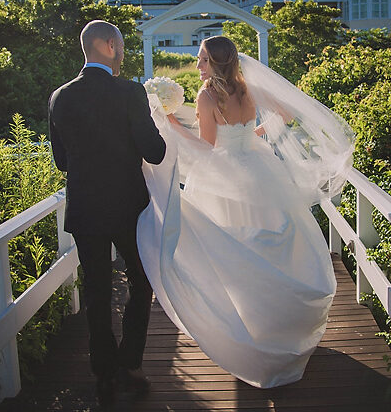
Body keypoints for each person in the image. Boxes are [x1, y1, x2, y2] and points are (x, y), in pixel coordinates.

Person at [137, 36, 355, 388]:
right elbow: (285, 114)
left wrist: (174, 126)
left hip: (224, 175)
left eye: (203, 60)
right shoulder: (247, 87)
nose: (197, 66)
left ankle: (251, 326)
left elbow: (208, 145)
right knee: (266, 241)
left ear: (216, 63)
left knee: (233, 248)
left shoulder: (207, 95)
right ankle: (276, 322)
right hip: (258, 166)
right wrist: (252, 132)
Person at [48, 20, 166, 407]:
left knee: (96, 290)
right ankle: (130, 364)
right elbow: (155, 152)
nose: (123, 51)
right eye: (121, 44)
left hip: (85, 208)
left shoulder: (59, 97)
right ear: (110, 45)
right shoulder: (130, 93)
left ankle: (103, 375)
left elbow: (62, 162)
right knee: (141, 282)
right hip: (129, 207)